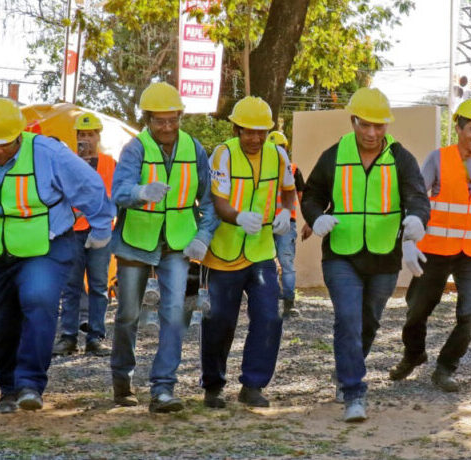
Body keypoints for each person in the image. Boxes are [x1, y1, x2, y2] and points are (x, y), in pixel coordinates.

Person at [0, 98, 115, 413]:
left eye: (5, 144)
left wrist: (101, 227)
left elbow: (89, 186)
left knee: (38, 299)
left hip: (46, 246)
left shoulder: (48, 152)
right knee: (1, 320)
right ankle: (8, 389)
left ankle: (31, 384)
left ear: (19, 134)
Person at [301, 87, 429, 422]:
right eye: (365, 125)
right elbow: (311, 195)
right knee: (347, 318)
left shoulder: (401, 158)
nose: (372, 133)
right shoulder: (334, 155)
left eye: (379, 126)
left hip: (384, 254)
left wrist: (415, 219)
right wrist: (317, 218)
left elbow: (417, 196)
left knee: (368, 321)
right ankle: (354, 391)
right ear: (353, 121)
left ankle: (347, 369)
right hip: (341, 253)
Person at [109, 82, 217, 413]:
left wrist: (203, 236)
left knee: (174, 313)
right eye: (160, 121)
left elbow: (210, 198)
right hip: (136, 243)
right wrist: (140, 192)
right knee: (128, 314)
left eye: (173, 120)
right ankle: (122, 379)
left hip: (179, 243)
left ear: (180, 117)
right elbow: (118, 191)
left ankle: (163, 388)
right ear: (148, 119)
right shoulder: (135, 149)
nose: (167, 127)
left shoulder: (194, 147)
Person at [388, 98, 471, 393]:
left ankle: (445, 368)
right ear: (458, 128)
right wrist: (409, 240)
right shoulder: (437, 159)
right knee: (416, 311)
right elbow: (416, 196)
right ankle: (413, 355)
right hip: (435, 250)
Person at [200, 97, 295, 408]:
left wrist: (285, 212)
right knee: (220, 322)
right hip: (224, 254)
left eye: (262, 132)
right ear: (236, 128)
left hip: (261, 253)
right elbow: (219, 202)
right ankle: (213, 385)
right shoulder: (223, 154)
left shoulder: (278, 155)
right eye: (249, 132)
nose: (255, 138)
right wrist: (238, 216)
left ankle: (253, 384)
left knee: (270, 316)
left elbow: (288, 191)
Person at [53, 112, 117, 357]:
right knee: (71, 287)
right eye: (82, 134)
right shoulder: (68, 163)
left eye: (90, 134)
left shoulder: (110, 163)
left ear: (98, 136)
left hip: (100, 232)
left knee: (99, 286)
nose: (86, 139)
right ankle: (68, 337)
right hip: (72, 233)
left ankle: (95, 338)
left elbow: (113, 196)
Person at [268, 130, 304, 318]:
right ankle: (269, 303)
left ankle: (288, 304)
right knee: (267, 263)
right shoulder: (262, 170)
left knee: (286, 262)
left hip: (286, 221)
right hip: (265, 222)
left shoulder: (294, 169)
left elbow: (300, 196)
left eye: (280, 148)